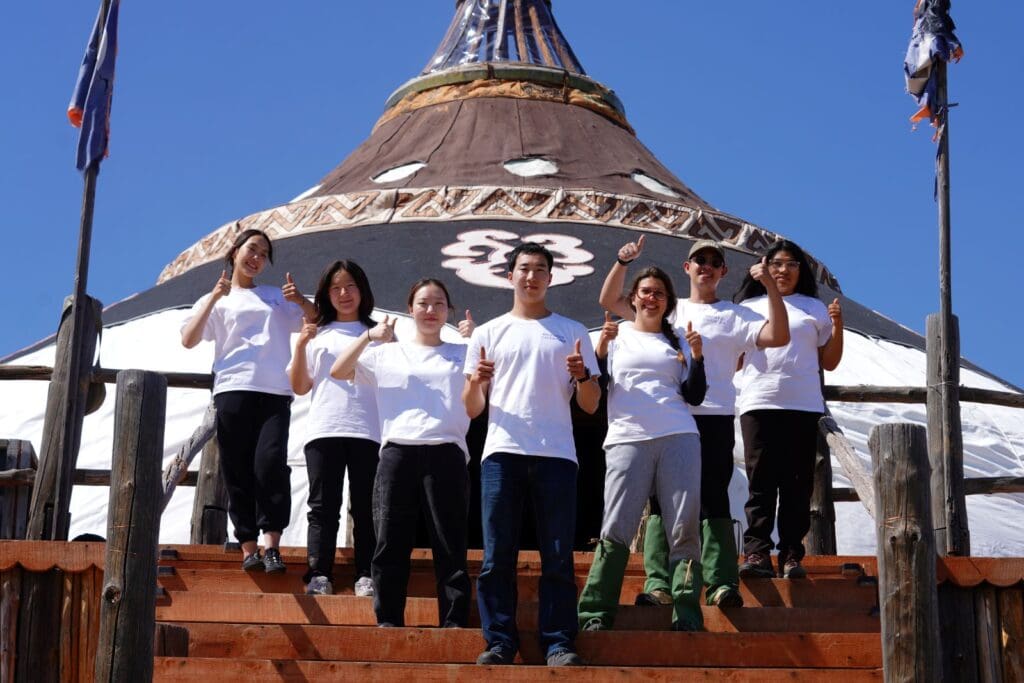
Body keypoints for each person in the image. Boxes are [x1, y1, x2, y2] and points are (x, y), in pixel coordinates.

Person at [599, 236, 789, 607]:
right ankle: (660, 584)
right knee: (660, 502)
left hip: (714, 415)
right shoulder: (669, 307)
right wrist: (622, 261)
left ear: (723, 271)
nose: (705, 265)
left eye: (713, 261)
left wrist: (768, 286)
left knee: (713, 498)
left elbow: (779, 335)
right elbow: (610, 301)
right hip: (669, 415)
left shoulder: (737, 315)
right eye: (698, 259)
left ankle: (720, 582)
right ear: (686, 267)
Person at [463, 242, 600, 667]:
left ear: (550, 278)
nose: (531, 276)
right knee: (496, 555)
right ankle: (499, 641)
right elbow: (471, 409)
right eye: (523, 269)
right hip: (502, 452)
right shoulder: (487, 333)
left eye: (540, 269)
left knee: (557, 555)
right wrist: (475, 383)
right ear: (510, 276)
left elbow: (592, 405)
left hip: (557, 454)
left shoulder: (573, 331)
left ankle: (559, 642)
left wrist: (582, 377)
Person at [332, 279, 475, 627]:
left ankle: (454, 619)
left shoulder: (463, 352)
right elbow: (339, 370)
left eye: (439, 304)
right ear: (409, 309)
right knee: (391, 541)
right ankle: (389, 618)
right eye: (423, 303)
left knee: (449, 541)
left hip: (447, 451)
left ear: (449, 311)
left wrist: (475, 339)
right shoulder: (387, 353)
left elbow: (494, 380)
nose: (430, 310)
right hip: (398, 451)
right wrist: (369, 336)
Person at [579, 266, 708, 632]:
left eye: (659, 294)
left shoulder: (680, 341)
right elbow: (593, 392)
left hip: (678, 434)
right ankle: (595, 611)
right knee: (616, 525)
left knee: (683, 526)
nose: (651, 298)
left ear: (668, 304)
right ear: (632, 297)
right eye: (645, 292)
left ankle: (686, 610)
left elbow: (695, 395)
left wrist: (697, 358)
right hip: (626, 438)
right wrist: (600, 351)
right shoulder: (614, 340)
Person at [181, 229, 315, 573]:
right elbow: (189, 339)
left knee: (270, 463)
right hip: (232, 389)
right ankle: (248, 547)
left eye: (264, 254)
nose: (256, 258)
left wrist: (299, 299)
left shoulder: (275, 297)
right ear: (234, 251)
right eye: (251, 250)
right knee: (236, 468)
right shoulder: (216, 298)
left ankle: (272, 544)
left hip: (274, 392)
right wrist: (213, 297)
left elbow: (317, 320)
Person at [733, 239, 843, 579]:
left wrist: (838, 327)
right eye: (776, 263)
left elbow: (830, 361)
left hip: (802, 403)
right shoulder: (748, 306)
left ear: (801, 271)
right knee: (760, 482)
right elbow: (735, 358)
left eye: (791, 264)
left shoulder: (814, 308)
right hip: (758, 399)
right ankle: (757, 553)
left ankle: (793, 554)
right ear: (764, 267)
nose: (783, 270)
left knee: (797, 485)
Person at [288, 260, 380, 596]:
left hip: (368, 429)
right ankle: (318, 573)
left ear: (362, 290)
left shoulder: (381, 333)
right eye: (336, 287)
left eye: (350, 286)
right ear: (327, 293)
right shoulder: (318, 334)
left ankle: (367, 574)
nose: (344, 294)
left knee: (367, 506)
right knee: (322, 506)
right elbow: (300, 386)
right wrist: (299, 346)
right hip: (325, 426)